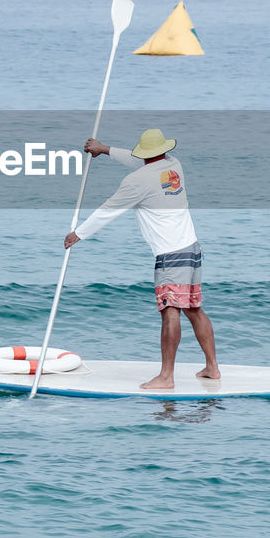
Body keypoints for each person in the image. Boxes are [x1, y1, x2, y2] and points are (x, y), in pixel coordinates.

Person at [63, 128, 220, 389]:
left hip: (170, 255)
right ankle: (212, 368)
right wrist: (105, 149)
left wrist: (78, 234)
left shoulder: (137, 182)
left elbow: (108, 210)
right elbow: (136, 161)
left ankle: (166, 377)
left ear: (145, 153)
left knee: (170, 312)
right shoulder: (173, 165)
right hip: (192, 249)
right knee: (193, 309)